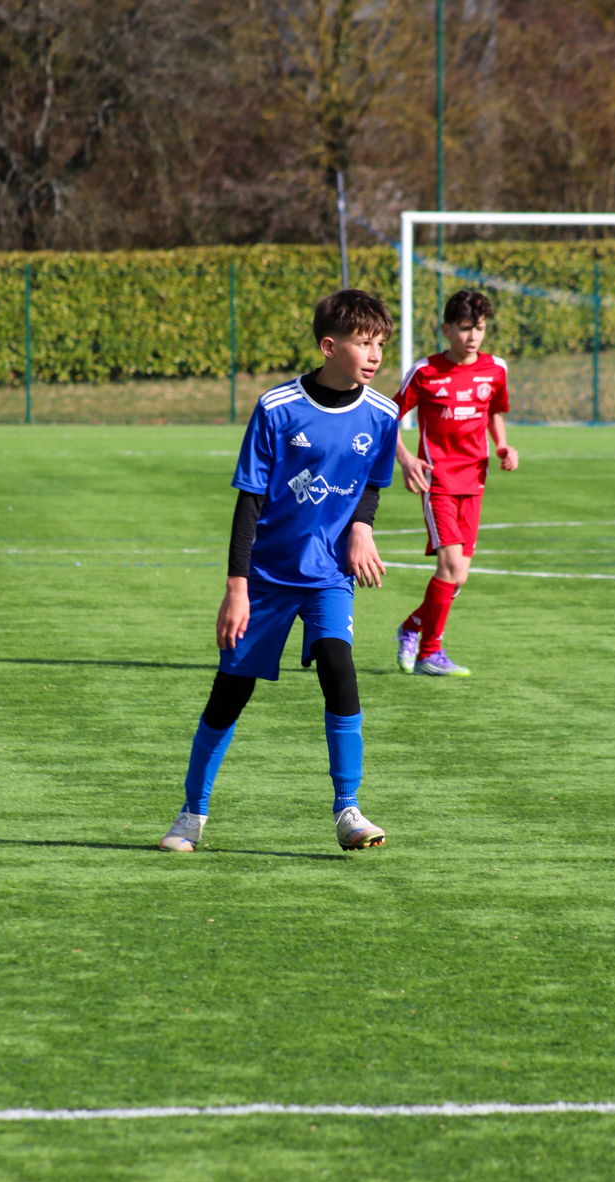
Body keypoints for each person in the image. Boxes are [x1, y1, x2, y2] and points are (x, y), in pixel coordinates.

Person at [159, 289, 400, 852]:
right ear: (329, 346)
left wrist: (362, 528)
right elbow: (249, 502)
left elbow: (371, 485)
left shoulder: (383, 414)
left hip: (328, 575)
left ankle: (348, 809)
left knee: (338, 666)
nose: (374, 355)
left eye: (380, 344)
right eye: (363, 343)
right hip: (265, 578)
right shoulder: (277, 408)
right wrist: (236, 589)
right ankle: (192, 814)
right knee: (230, 693)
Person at [393, 290, 519, 677]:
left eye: (479, 328)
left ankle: (411, 627)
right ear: (446, 329)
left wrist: (503, 446)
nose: (473, 336)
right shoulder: (425, 372)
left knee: (458, 578)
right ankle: (430, 654)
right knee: (449, 565)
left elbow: (494, 411)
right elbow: (386, 417)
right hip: (438, 481)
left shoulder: (495, 369)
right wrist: (406, 459)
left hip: (475, 480)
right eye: (464, 328)